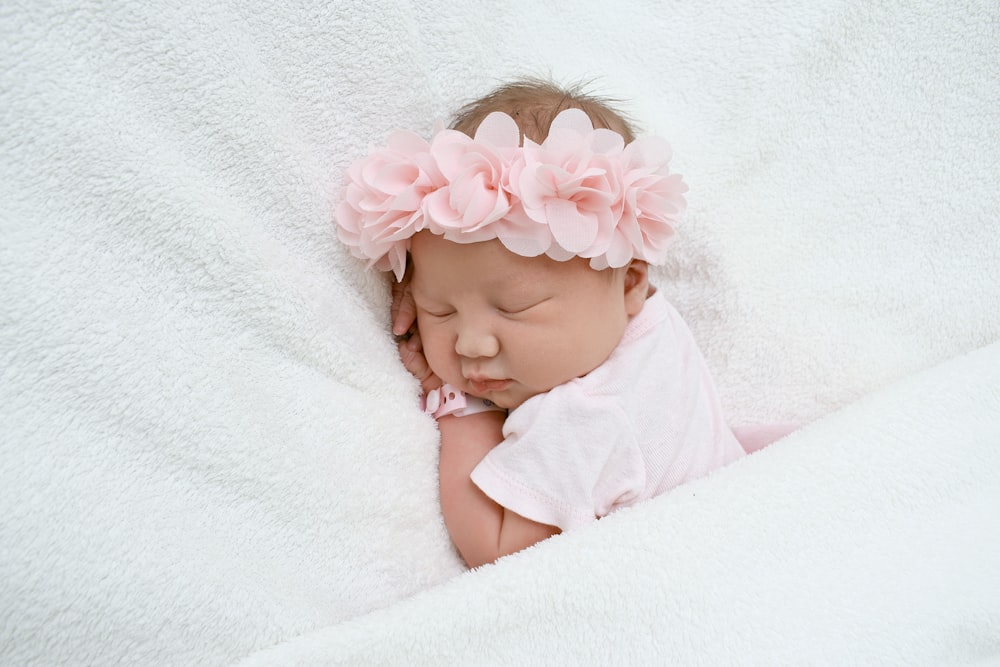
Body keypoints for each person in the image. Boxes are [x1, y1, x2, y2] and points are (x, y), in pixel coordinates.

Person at [336, 79, 746, 568]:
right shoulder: (641, 317)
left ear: (631, 283)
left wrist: (464, 408)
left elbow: (497, 555)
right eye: (439, 311)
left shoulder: (582, 420)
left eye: (514, 308)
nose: (471, 343)